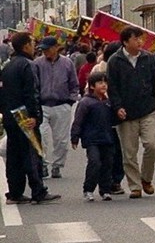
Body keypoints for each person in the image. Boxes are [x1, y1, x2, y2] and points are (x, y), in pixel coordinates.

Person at [2, 32, 60, 205]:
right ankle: (38, 190)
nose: (34, 46)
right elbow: (32, 93)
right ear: (26, 45)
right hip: (25, 116)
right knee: (32, 153)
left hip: (10, 115)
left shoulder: (8, 66)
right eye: (32, 42)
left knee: (14, 156)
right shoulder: (29, 65)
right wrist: (35, 116)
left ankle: (15, 193)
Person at [107, 26, 155, 199]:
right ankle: (135, 186)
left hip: (148, 109)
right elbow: (112, 87)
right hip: (126, 113)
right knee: (129, 153)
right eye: (136, 39)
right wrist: (117, 107)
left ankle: (146, 178)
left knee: (152, 145)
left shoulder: (148, 58)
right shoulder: (115, 61)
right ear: (125, 42)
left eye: (141, 38)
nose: (140, 42)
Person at [34, 36, 80, 179]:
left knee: (61, 140)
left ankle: (57, 166)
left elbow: (74, 83)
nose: (45, 51)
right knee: (42, 137)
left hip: (62, 104)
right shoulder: (37, 63)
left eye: (47, 49)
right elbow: (34, 84)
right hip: (42, 105)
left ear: (56, 48)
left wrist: (70, 101)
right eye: (43, 49)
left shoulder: (67, 63)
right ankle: (43, 164)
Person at [70, 72, 115, 202]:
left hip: (107, 138)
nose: (104, 85)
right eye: (100, 83)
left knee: (107, 163)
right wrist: (75, 137)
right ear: (92, 86)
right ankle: (88, 189)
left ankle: (105, 190)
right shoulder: (86, 102)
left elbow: (113, 120)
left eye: (105, 82)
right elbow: (78, 121)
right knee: (94, 162)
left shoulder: (108, 102)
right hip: (92, 139)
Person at [91, 41, 125, 195]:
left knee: (117, 151)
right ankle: (108, 182)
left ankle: (115, 181)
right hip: (104, 116)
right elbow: (89, 91)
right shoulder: (99, 70)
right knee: (108, 152)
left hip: (119, 113)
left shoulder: (122, 67)